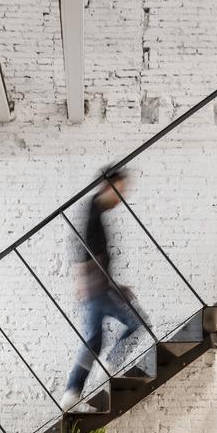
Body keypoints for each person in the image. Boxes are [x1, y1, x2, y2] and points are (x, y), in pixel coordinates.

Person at [60, 170, 148, 411]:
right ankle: (109, 366)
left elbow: (91, 251)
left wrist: (114, 285)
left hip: (97, 286)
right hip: (95, 288)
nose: (122, 197)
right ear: (107, 187)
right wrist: (82, 279)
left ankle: (71, 394)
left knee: (93, 342)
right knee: (137, 321)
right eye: (119, 190)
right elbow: (80, 246)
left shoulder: (95, 211)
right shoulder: (93, 212)